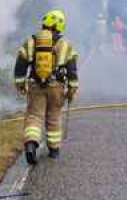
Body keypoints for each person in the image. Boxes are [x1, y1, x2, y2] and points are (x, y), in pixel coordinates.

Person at [14, 10, 79, 165]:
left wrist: (20, 83)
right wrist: (72, 89)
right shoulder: (65, 45)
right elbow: (72, 70)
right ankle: (54, 150)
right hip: (56, 86)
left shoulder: (31, 41)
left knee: (34, 116)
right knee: (54, 116)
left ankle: (31, 144)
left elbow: (20, 64)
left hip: (36, 85)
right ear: (60, 26)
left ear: (45, 23)